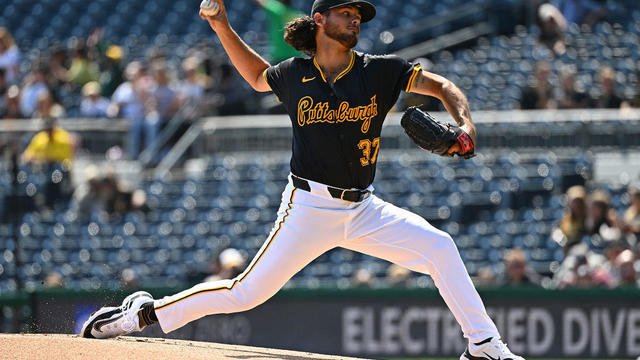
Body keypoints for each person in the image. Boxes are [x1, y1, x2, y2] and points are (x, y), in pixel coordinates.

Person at [82, 2, 524, 360]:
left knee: (440, 247)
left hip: (363, 208)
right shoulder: (295, 74)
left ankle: (483, 345)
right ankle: (139, 315)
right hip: (309, 207)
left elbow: (444, 86)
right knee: (245, 293)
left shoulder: (381, 70)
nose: (355, 19)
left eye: (358, 16)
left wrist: (465, 127)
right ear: (320, 19)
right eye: (346, 13)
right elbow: (256, 77)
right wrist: (221, 24)